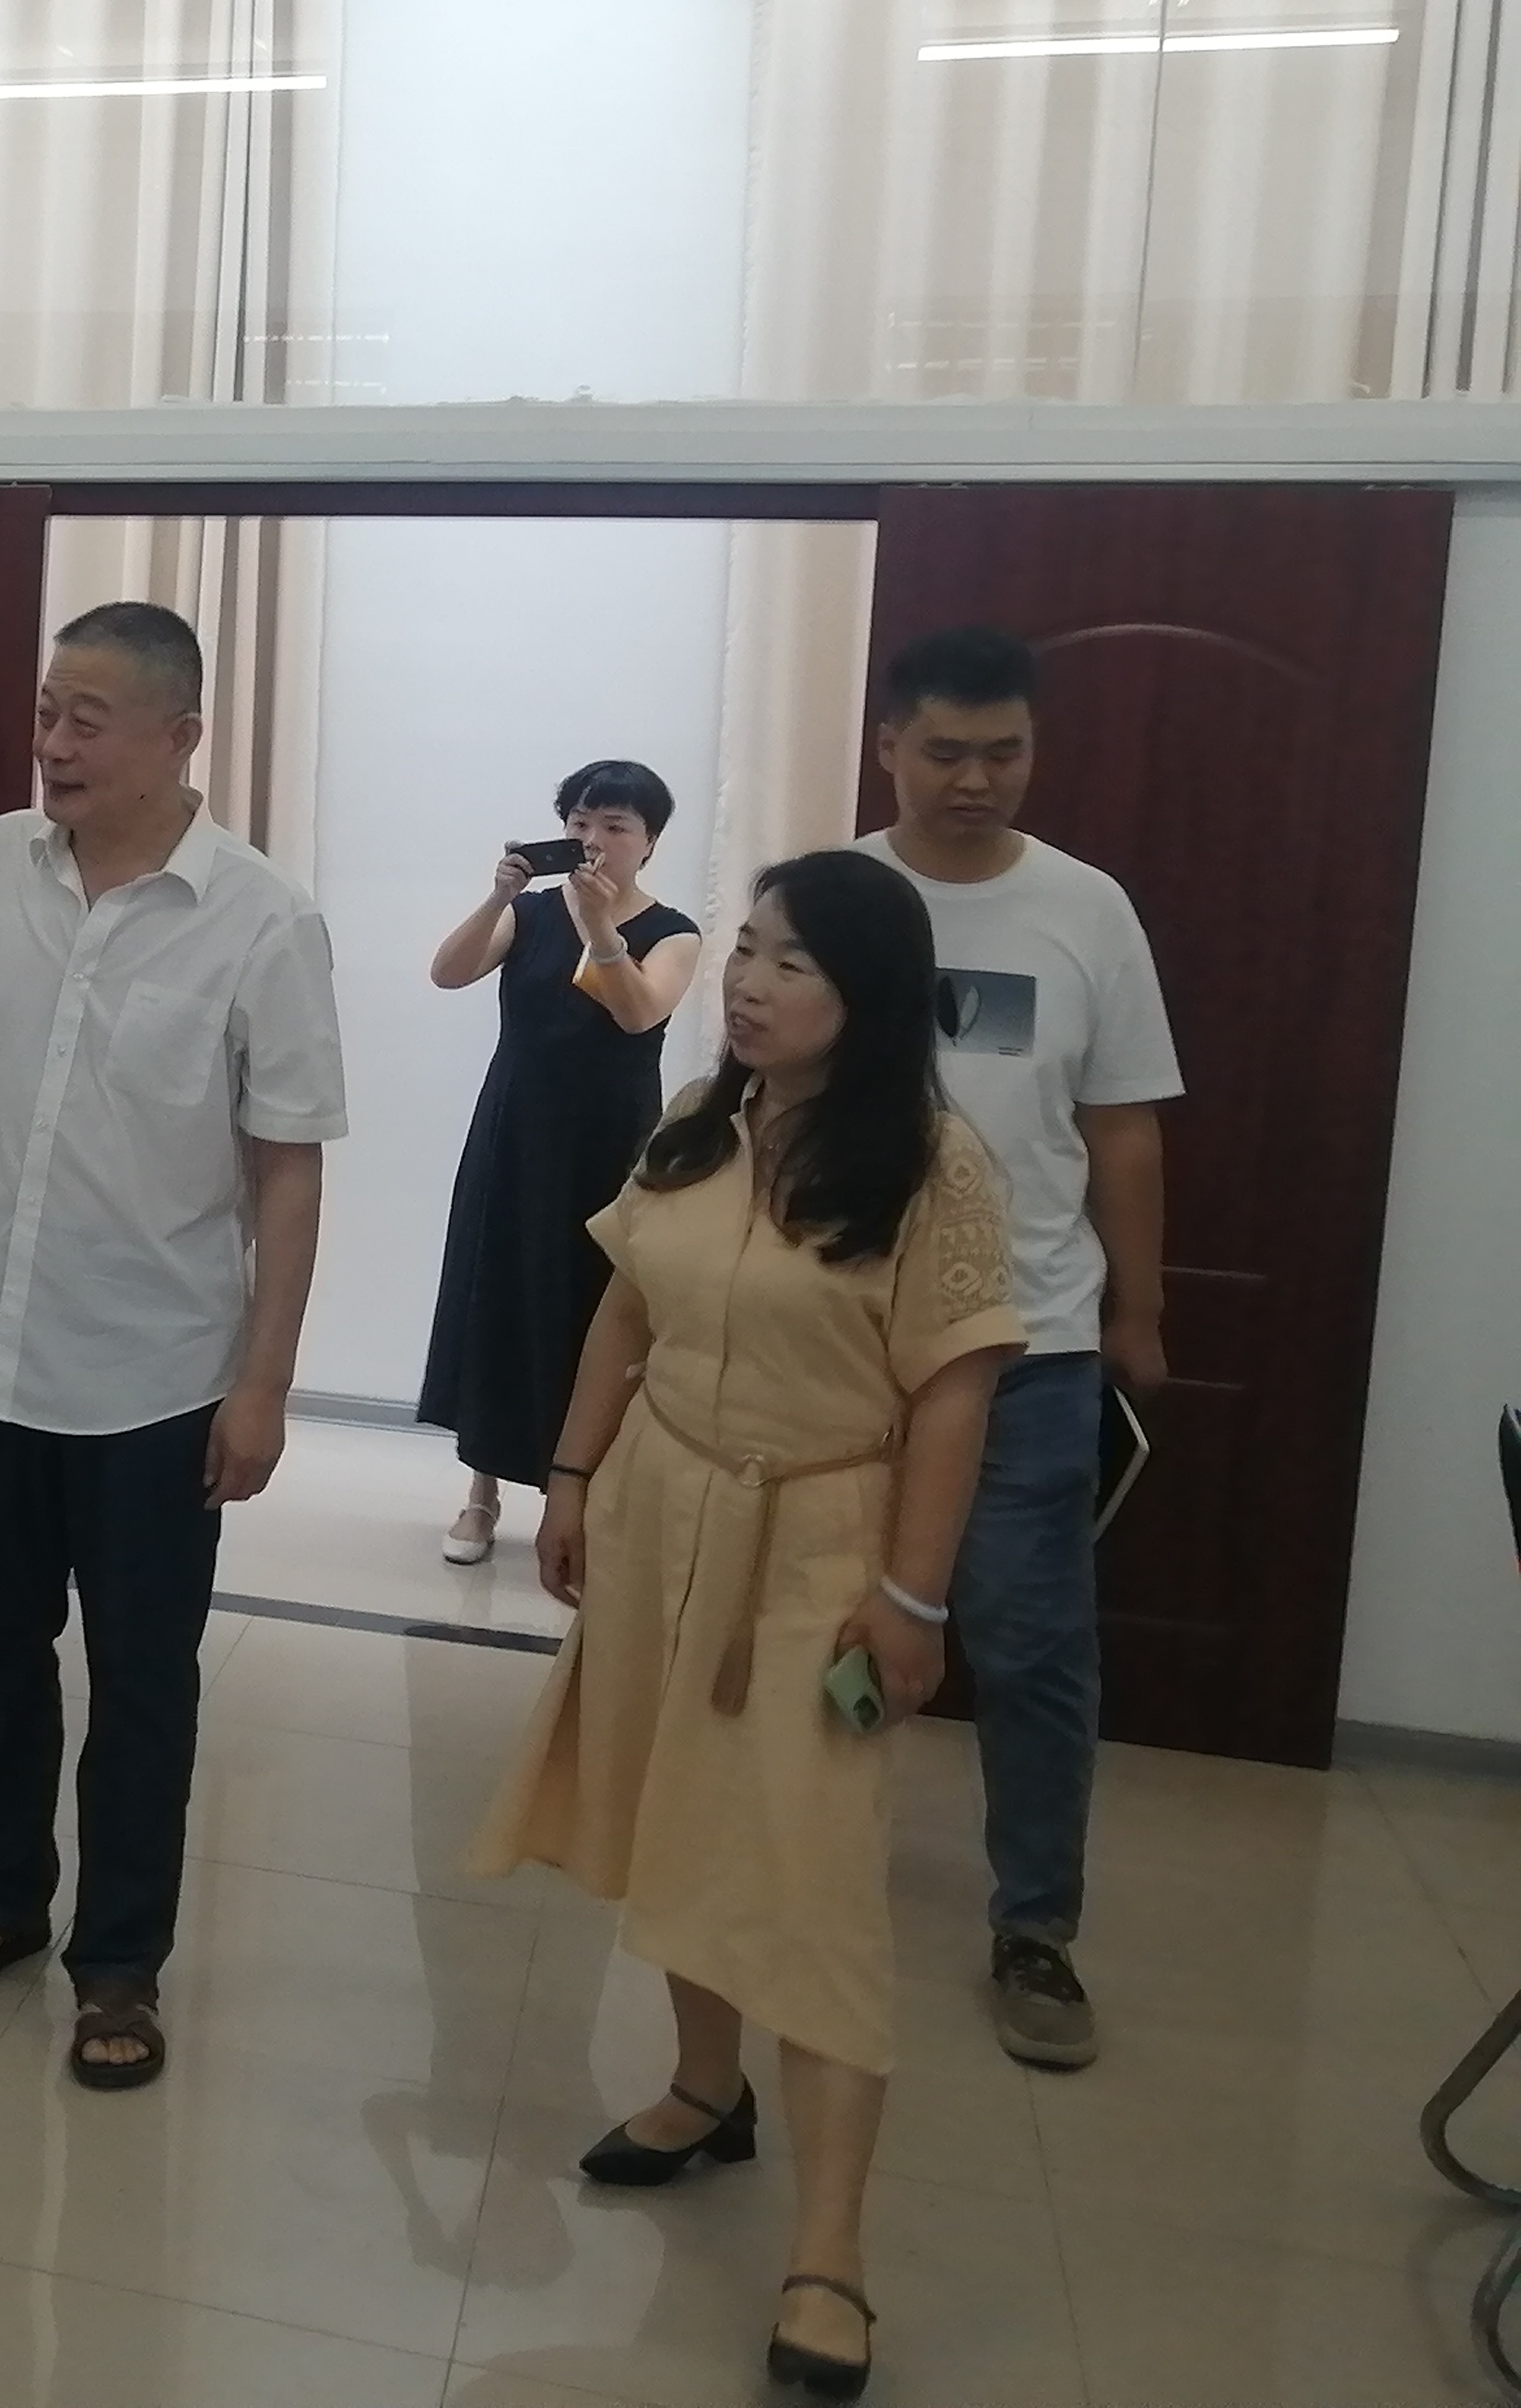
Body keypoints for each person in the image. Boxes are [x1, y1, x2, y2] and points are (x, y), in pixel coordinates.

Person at [472, 849, 1024, 2402]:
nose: (751, 983)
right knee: (682, 1818)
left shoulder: (930, 1163)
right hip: (663, 1508)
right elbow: (625, 1308)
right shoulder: (697, 1125)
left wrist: (909, 1596)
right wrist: (570, 1476)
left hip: (821, 1546)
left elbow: (957, 1391)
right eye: (750, 950)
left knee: (812, 1883)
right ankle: (705, 2089)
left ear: (870, 996)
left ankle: (828, 2256)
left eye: (793, 963)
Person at [0, 601, 345, 2092]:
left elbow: (289, 1167)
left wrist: (263, 1381)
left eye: (87, 719)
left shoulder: (262, 919)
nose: (52, 743)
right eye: (46, 710)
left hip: (154, 1380)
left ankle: (120, 1959)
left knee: (141, 1681)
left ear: (180, 737)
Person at [856, 624, 1179, 2073]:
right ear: (891, 747)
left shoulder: (1087, 909)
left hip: (1033, 1342)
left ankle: (1036, 1927)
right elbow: (759, 1100)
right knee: (813, 1614)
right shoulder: (838, 897)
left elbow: (1123, 1127)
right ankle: (798, 1866)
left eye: (1005, 752)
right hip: (849, 1336)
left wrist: (1138, 1313)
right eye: (947, 752)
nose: (976, 778)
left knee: (1034, 1642)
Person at [419, 761, 702, 1566]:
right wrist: (498, 897)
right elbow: (447, 972)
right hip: (515, 1131)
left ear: (649, 842)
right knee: (500, 1294)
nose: (594, 839)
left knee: (594, 1306)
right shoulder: (532, 912)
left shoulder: (674, 930)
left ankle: (580, 1497)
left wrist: (602, 927)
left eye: (616, 825)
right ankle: (481, 1493)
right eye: (581, 823)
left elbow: (640, 1011)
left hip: (610, 1141)